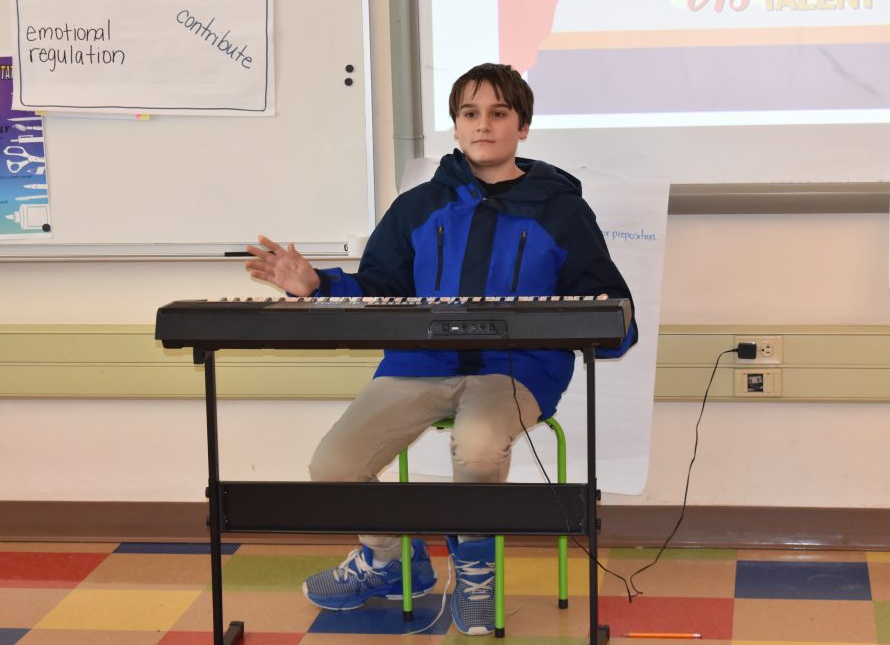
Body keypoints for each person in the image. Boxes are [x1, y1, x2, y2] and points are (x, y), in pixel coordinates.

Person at [244, 63, 637, 635]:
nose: (484, 125)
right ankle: (393, 559)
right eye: (470, 114)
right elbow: (379, 290)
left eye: (499, 113)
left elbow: (610, 304)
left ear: (522, 127)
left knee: (478, 446)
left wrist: (610, 326)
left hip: (515, 372)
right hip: (418, 365)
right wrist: (318, 286)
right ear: (455, 126)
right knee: (332, 466)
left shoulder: (563, 211)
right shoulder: (418, 206)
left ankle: (476, 572)